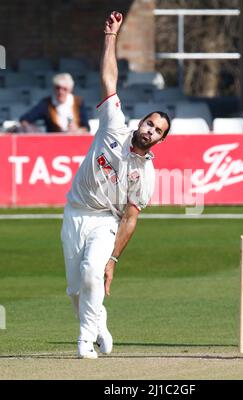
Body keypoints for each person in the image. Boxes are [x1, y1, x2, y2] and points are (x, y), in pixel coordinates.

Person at [61, 11, 170, 359]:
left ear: (160, 140)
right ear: (141, 121)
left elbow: (131, 218)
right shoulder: (114, 125)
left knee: (93, 273)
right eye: (150, 123)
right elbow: (109, 80)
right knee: (77, 290)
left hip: (106, 221)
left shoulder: (147, 174)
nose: (150, 130)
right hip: (75, 212)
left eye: (157, 131)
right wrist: (111, 36)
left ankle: (83, 340)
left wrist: (114, 260)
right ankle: (100, 325)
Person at [19, 73, 90, 133]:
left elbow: (86, 128)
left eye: (64, 89)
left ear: (70, 89)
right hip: (54, 143)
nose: (60, 92)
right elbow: (25, 119)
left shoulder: (79, 102)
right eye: (58, 88)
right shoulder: (46, 103)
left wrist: (77, 130)